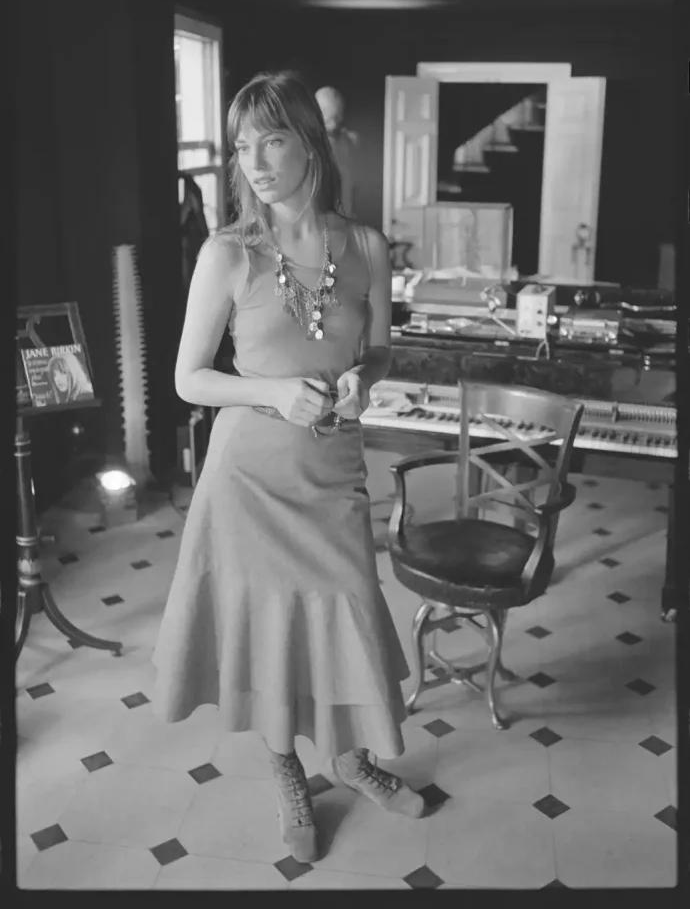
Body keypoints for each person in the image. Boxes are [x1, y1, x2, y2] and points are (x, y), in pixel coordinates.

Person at [152, 70, 423, 865]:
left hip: (333, 472)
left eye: (272, 140)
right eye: (243, 146)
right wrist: (272, 391)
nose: (256, 162)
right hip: (248, 481)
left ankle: (352, 758)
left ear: (309, 142)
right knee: (270, 629)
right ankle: (287, 773)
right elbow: (188, 379)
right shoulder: (227, 253)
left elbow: (379, 350)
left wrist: (362, 376)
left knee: (348, 608)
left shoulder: (365, 246)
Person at [315, 86, 359, 218]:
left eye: (338, 118)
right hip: (321, 218)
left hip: (346, 216)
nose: (334, 124)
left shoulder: (350, 141)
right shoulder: (308, 143)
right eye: (329, 119)